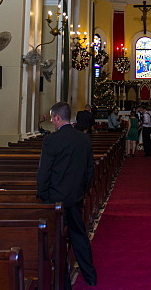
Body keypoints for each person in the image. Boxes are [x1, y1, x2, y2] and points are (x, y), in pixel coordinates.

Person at [36, 102, 98, 288]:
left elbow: (44, 171)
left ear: (56, 117)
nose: (52, 122)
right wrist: (82, 190)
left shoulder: (51, 140)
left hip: (55, 200)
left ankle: (63, 283)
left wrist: (43, 195)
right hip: (75, 198)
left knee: (58, 240)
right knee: (79, 236)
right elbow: (89, 170)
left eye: (52, 119)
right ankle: (90, 276)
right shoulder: (83, 139)